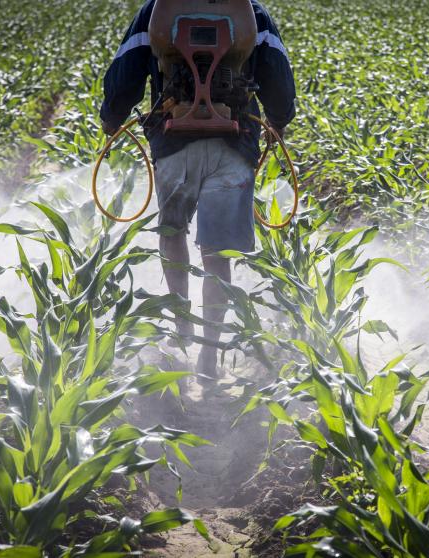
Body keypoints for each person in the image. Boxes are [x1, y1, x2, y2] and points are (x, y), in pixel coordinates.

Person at [99, 1, 296, 384]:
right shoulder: (252, 12)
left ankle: (181, 327)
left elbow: (125, 77)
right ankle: (210, 350)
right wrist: (279, 120)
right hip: (233, 146)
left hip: (175, 146)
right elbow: (278, 79)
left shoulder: (157, 9)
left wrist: (111, 120)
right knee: (217, 252)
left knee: (172, 234)